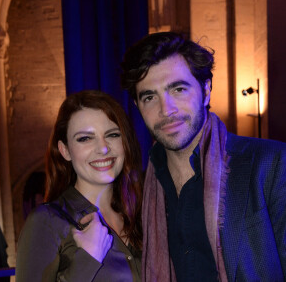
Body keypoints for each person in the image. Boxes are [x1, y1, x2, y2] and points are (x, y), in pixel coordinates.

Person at [121, 31, 286, 282]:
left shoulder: (270, 164)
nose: (166, 110)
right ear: (137, 105)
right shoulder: (143, 190)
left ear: (206, 89)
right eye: (150, 97)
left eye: (178, 89)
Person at [16, 90, 143, 282]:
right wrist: (87, 259)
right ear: (65, 150)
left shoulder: (139, 216)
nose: (103, 148)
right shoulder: (46, 222)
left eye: (113, 134)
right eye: (85, 138)